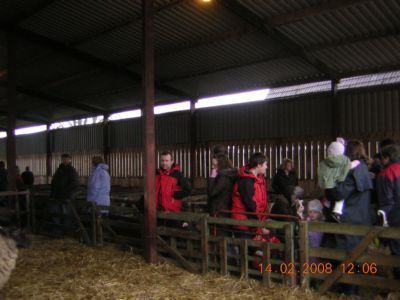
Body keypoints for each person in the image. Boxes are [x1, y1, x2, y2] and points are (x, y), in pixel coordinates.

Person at [327, 141, 373, 250]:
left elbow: (338, 193)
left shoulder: (353, 170)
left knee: (346, 260)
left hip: (349, 222)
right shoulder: (363, 168)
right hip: (360, 219)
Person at [318, 138, 357, 222]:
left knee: (328, 198)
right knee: (341, 197)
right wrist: (356, 163)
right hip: (336, 186)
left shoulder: (327, 161)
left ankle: (327, 207)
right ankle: (337, 212)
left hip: (328, 186)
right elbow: (348, 166)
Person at [231, 152, 268, 238]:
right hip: (243, 223)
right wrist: (258, 226)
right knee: (246, 249)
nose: (267, 167)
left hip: (251, 221)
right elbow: (250, 204)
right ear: (259, 165)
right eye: (265, 164)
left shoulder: (257, 179)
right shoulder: (246, 181)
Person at [377, 144, 400, 278]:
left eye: (382, 158)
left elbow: (386, 202)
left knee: (397, 253)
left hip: (396, 218)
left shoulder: (386, 173)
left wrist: (384, 223)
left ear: (387, 158)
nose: (380, 161)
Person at [50, 154, 80, 234]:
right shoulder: (59, 170)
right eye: (63, 159)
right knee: (56, 213)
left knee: (66, 213)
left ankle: (67, 230)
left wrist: (66, 193)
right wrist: (52, 194)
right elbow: (54, 182)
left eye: (67, 159)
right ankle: (57, 229)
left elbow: (75, 184)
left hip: (66, 196)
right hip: (56, 196)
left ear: (70, 160)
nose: (65, 161)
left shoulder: (72, 171)